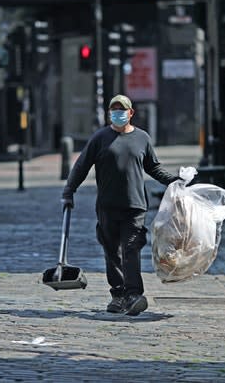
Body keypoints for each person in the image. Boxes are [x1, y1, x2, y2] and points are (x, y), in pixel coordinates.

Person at [61, 94, 180, 316]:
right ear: (109, 114)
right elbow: (81, 166)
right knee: (111, 252)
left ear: (131, 113)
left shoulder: (142, 138)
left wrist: (174, 181)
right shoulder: (100, 138)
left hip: (135, 206)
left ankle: (134, 294)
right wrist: (69, 191)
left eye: (122, 110)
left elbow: (153, 167)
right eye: (114, 110)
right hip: (107, 206)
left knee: (131, 249)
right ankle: (118, 294)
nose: (118, 113)